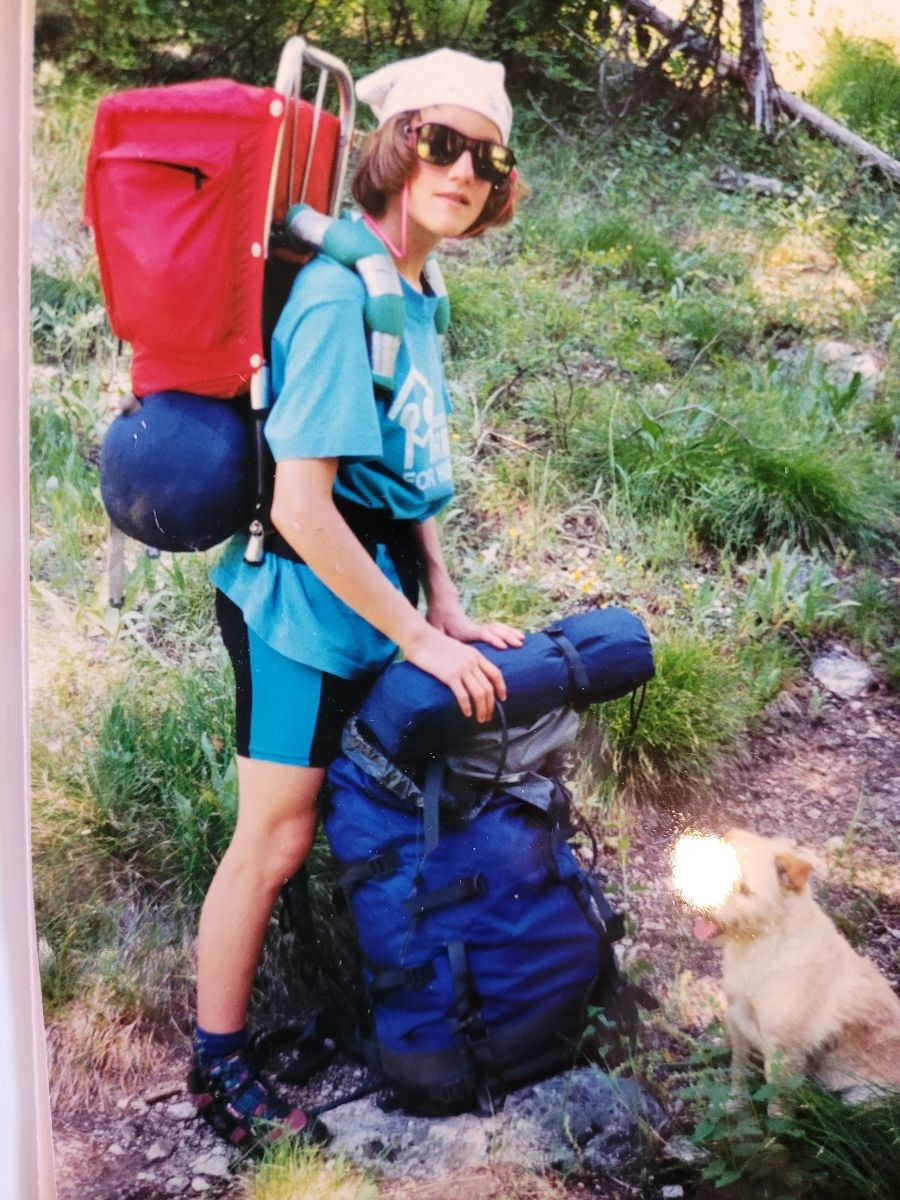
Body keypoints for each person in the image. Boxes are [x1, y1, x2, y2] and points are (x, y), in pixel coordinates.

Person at [187, 47, 526, 1147]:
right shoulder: (340, 297)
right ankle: (217, 1061)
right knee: (274, 839)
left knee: (347, 810)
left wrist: (447, 602)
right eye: (441, 141)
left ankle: (360, 994)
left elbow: (402, 472)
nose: (463, 169)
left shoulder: (414, 285)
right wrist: (422, 641)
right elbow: (301, 508)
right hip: (297, 607)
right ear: (394, 147)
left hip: (368, 595)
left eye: (486, 154)